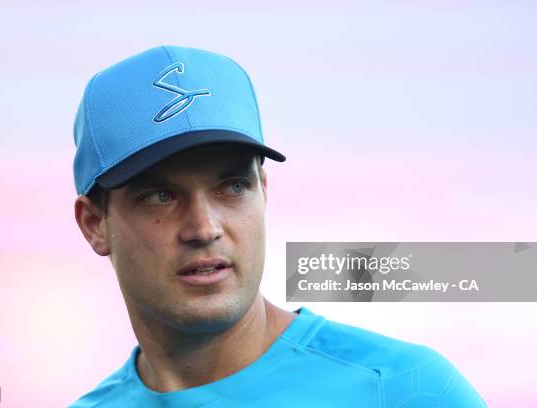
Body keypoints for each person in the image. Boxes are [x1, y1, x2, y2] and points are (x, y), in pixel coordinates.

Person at [69, 46, 486, 407]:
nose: (204, 228)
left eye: (232, 186)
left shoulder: (405, 391)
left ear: (263, 192)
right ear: (94, 225)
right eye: (161, 195)